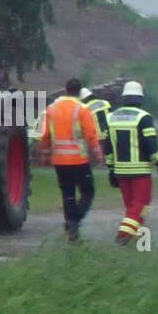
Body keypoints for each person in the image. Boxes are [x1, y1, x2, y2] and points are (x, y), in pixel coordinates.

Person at [36, 78, 102, 242]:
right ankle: (74, 221)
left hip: (60, 161)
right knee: (88, 192)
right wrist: (97, 153)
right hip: (79, 160)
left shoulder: (51, 109)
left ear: (65, 89)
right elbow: (90, 135)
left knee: (68, 194)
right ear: (79, 92)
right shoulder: (81, 109)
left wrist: (44, 154)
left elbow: (44, 135)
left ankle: (72, 228)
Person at [105, 80, 158, 244]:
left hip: (120, 171)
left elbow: (108, 146)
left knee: (131, 204)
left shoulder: (111, 117)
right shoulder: (143, 117)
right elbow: (151, 143)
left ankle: (136, 232)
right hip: (139, 171)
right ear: (140, 99)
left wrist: (110, 168)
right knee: (141, 202)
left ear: (123, 98)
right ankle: (123, 235)